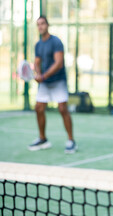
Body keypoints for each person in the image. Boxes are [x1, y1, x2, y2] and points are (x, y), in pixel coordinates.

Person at [28, 16, 77, 154]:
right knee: (38, 108)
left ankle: (71, 140)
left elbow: (58, 63)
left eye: (42, 24)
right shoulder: (38, 44)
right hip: (45, 83)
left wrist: (43, 76)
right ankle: (43, 139)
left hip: (58, 81)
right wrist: (38, 74)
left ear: (47, 25)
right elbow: (37, 62)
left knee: (62, 109)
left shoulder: (56, 42)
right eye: (38, 24)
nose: (40, 26)